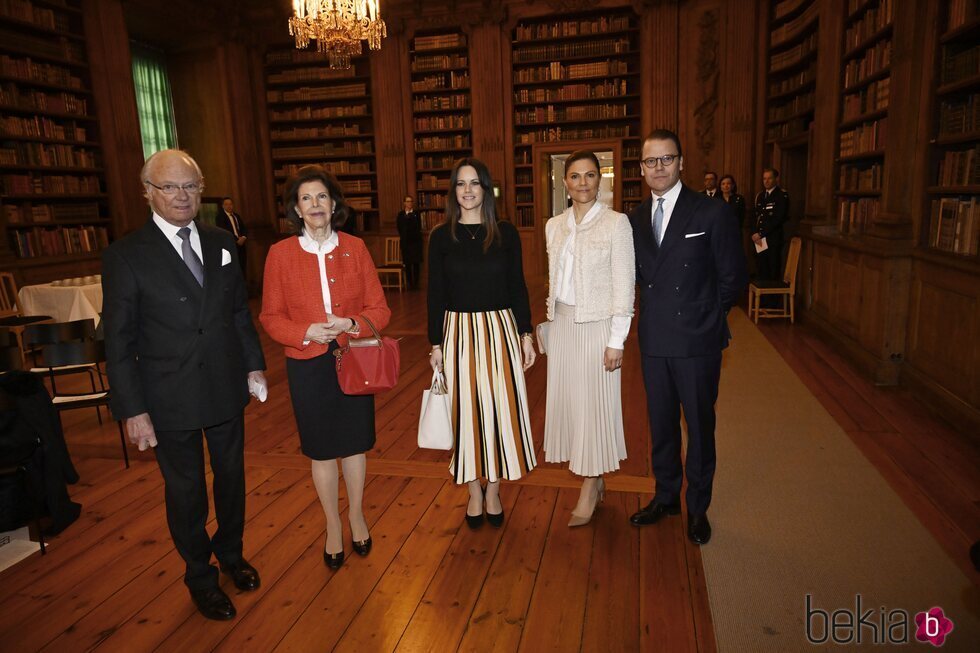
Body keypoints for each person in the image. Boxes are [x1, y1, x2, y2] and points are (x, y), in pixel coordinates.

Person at [102, 149, 267, 620]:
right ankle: (200, 574)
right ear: (147, 192)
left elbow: (237, 311)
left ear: (202, 190)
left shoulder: (220, 241)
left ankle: (231, 555)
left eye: (190, 186)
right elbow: (118, 340)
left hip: (223, 384)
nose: (182, 196)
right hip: (166, 395)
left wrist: (253, 365)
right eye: (170, 186)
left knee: (232, 478)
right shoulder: (125, 255)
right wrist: (132, 409)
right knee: (187, 490)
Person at [260, 165, 390, 571]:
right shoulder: (279, 255)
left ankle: (356, 515)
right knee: (320, 449)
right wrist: (305, 331)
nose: (315, 205)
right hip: (307, 365)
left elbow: (379, 309)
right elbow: (270, 316)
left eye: (321, 197)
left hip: (353, 359)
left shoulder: (356, 247)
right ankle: (332, 524)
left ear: (334, 204)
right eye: (306, 199)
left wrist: (351, 324)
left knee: (353, 444)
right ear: (296, 209)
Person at [627, 130, 747, 545]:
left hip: (697, 343)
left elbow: (733, 278)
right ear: (641, 169)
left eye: (666, 159)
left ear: (681, 163)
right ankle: (665, 497)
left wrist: (706, 320)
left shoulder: (711, 213)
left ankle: (698, 507)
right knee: (661, 427)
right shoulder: (635, 218)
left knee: (698, 426)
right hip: (655, 341)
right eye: (650, 162)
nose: (658, 168)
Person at [427, 157, 536, 530]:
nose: (468, 190)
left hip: (499, 330)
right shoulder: (441, 236)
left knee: (498, 410)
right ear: (453, 191)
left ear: (486, 189)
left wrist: (526, 334)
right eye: (460, 183)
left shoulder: (505, 232)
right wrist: (435, 344)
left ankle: (494, 488)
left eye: (475, 183)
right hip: (457, 333)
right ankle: (473, 488)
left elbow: (518, 287)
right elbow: (435, 293)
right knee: (466, 413)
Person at [542, 150, 634, 527]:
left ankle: (592, 481)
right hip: (563, 326)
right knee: (573, 406)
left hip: (598, 328)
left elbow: (624, 286)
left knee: (595, 406)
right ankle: (591, 478)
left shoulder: (616, 224)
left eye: (590, 175)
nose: (583, 183)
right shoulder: (553, 225)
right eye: (575, 176)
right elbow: (554, 281)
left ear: (601, 180)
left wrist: (617, 339)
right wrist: (548, 325)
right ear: (564, 182)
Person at [752, 167, 789, 282]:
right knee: (762, 268)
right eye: (764, 179)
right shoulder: (760, 195)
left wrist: (761, 233)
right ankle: (763, 299)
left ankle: (773, 299)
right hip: (760, 239)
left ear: (776, 179)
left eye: (769, 178)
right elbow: (757, 216)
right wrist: (754, 233)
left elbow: (778, 218)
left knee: (773, 269)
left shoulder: (781, 195)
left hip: (773, 238)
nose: (766, 181)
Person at [215, 196, 248, 276]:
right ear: (223, 206)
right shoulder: (220, 217)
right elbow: (224, 231)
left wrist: (243, 237)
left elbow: (244, 228)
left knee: (242, 265)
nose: (229, 206)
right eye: (226, 204)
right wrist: (237, 239)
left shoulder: (236, 216)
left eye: (230, 204)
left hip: (241, 245)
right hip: (230, 245)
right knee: (233, 267)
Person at [396, 195, 423, 289]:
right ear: (404, 203)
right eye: (407, 201)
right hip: (406, 243)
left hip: (415, 243)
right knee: (407, 264)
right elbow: (400, 228)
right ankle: (410, 284)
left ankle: (416, 284)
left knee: (416, 264)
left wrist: (411, 217)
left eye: (411, 201)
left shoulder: (416, 214)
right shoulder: (400, 214)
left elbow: (418, 227)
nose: (409, 203)